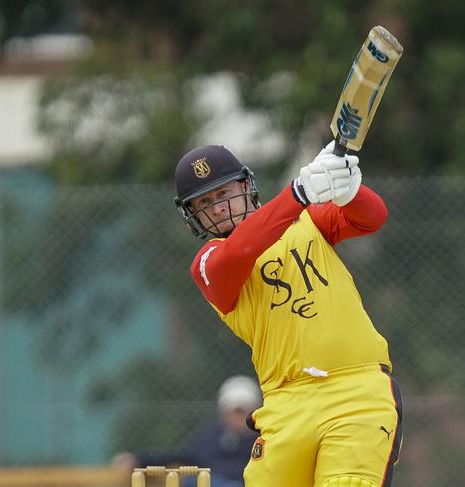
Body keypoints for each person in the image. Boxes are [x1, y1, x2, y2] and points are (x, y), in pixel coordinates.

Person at [173, 142, 403, 487]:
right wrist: (298, 192)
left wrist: (349, 189)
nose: (218, 208)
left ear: (246, 186)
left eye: (223, 193)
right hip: (285, 402)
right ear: (193, 215)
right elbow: (241, 251)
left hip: (357, 391)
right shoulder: (208, 263)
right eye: (204, 203)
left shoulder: (307, 220)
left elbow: (371, 218)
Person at [112, 375, 261, 487]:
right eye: (234, 411)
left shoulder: (263, 441)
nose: (238, 417)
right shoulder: (211, 438)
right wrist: (138, 459)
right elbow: (181, 454)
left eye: (243, 411)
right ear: (223, 412)